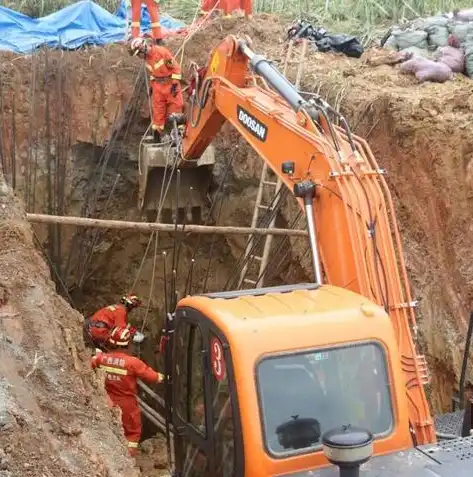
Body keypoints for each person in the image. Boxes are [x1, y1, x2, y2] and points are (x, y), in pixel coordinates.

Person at [91, 326, 164, 456]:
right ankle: (128, 460)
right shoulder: (133, 363)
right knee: (132, 432)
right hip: (127, 404)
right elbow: (154, 377)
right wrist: (164, 377)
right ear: (128, 344)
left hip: (106, 401)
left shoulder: (100, 358)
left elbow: (89, 364)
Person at [129, 37, 185, 141]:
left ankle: (179, 135)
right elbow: (153, 74)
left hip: (170, 85)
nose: (138, 56)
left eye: (138, 54)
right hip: (158, 87)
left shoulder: (161, 52)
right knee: (158, 112)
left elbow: (176, 68)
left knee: (175, 109)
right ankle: (158, 136)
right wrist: (151, 86)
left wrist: (174, 84)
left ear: (143, 48)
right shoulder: (146, 60)